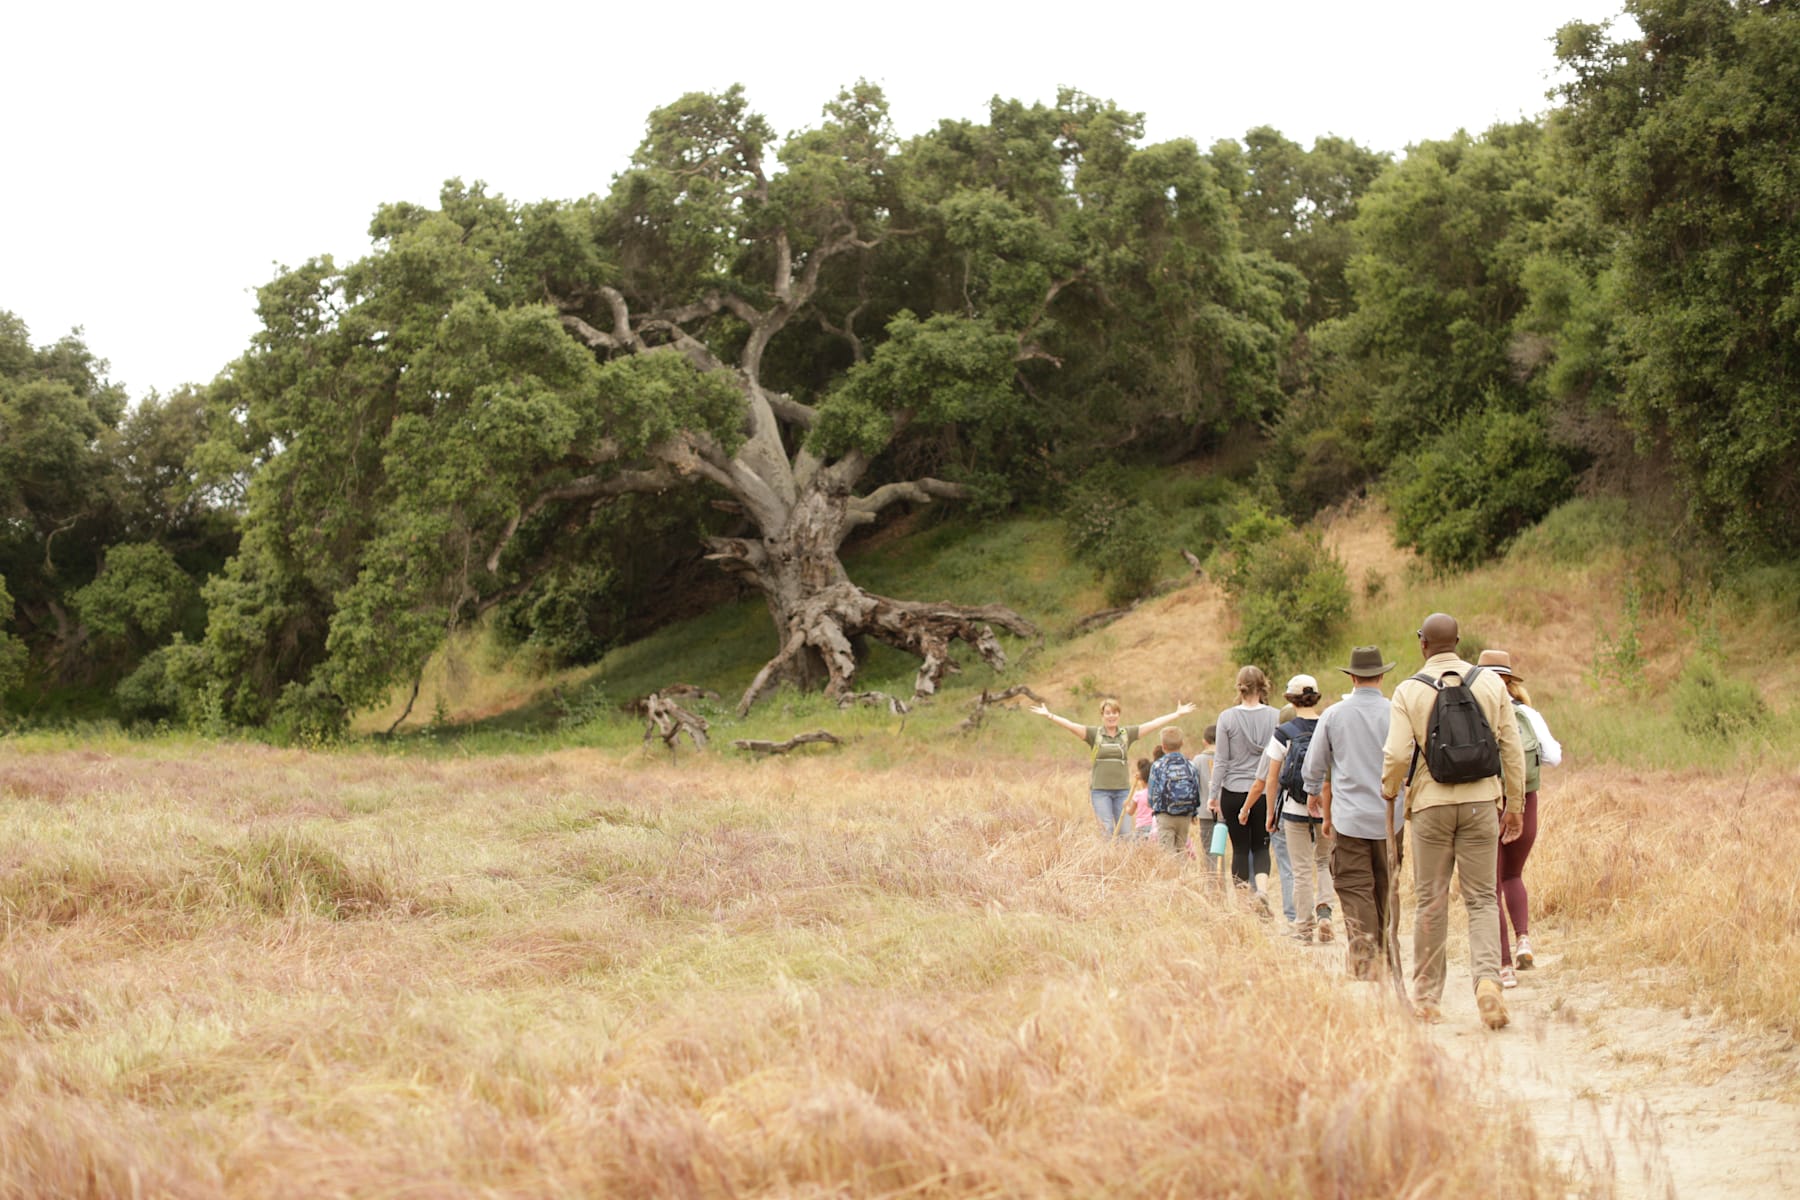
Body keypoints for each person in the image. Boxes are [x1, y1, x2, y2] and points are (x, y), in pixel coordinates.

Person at [1382, 613, 1526, 1030]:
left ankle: (1426, 997)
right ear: (1458, 642)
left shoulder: (1408, 690)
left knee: (1431, 899)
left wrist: (1390, 789)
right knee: (1482, 898)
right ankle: (1487, 984)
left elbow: (1395, 755)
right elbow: (1510, 747)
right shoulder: (1489, 683)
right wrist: (1513, 803)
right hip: (1482, 801)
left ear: (1422, 643)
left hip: (1430, 805)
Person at [1303, 646, 1402, 980]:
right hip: (1392, 817)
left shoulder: (1334, 715)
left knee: (1355, 884)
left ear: (1353, 676)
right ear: (1382, 675)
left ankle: (1364, 961)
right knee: (1385, 886)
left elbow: (1313, 765)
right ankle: (1386, 956)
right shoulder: (1397, 712)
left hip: (1351, 818)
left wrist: (1314, 792)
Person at [1477, 649, 1562, 987]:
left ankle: (1503, 966)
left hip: (1487, 802)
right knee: (1514, 875)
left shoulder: (1473, 712)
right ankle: (1523, 939)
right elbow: (1553, 756)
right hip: (1526, 803)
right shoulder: (1527, 713)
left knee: (1490, 887)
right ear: (1510, 681)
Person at [1248, 675, 1337, 943]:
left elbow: (1272, 778)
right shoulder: (1329, 725)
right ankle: (1325, 914)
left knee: (1300, 868)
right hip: (1325, 806)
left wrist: (1270, 813)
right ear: (1316, 697)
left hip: (1294, 809)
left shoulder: (1284, 732)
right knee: (1323, 863)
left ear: (1290, 699)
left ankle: (1304, 925)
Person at [1031, 697, 1197, 837]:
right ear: (1102, 715)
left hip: (1122, 791)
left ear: (1119, 714)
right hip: (1100, 791)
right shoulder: (1093, 734)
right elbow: (1071, 725)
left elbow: (1152, 724)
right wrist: (1050, 716)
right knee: (1107, 830)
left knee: (1125, 833)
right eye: (1108, 713)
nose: (1111, 716)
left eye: (1114, 712)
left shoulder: (1127, 734)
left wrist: (1176, 714)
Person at [1213, 666, 1279, 909]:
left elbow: (1221, 760)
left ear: (1239, 686)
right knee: (1261, 846)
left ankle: (1242, 903)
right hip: (1262, 790)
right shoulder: (1275, 716)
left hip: (1232, 790)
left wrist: (1213, 794)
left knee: (1239, 848)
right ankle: (1261, 890)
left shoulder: (1227, 717)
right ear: (1263, 685)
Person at [1146, 727, 1204, 853]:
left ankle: (1172, 873)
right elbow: (1196, 790)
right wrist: (1194, 812)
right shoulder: (1190, 765)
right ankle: (1182, 872)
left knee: (1167, 853)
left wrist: (1153, 807)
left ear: (1163, 746)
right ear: (1182, 743)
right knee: (1181, 849)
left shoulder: (1158, 766)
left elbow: (1151, 794)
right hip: (1185, 815)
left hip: (1165, 814)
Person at [1192, 725, 1224, 877]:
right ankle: (1221, 882)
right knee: (1220, 848)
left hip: (1204, 812)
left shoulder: (1198, 760)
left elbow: (1193, 786)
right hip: (1224, 810)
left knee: (1208, 849)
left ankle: (1211, 884)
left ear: (1204, 741)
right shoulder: (1225, 758)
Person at [1130, 758, 1157, 842]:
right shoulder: (1157, 793)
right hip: (1154, 827)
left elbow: (1130, 812)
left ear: (1141, 780)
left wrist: (1126, 806)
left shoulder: (1138, 795)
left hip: (1141, 828)